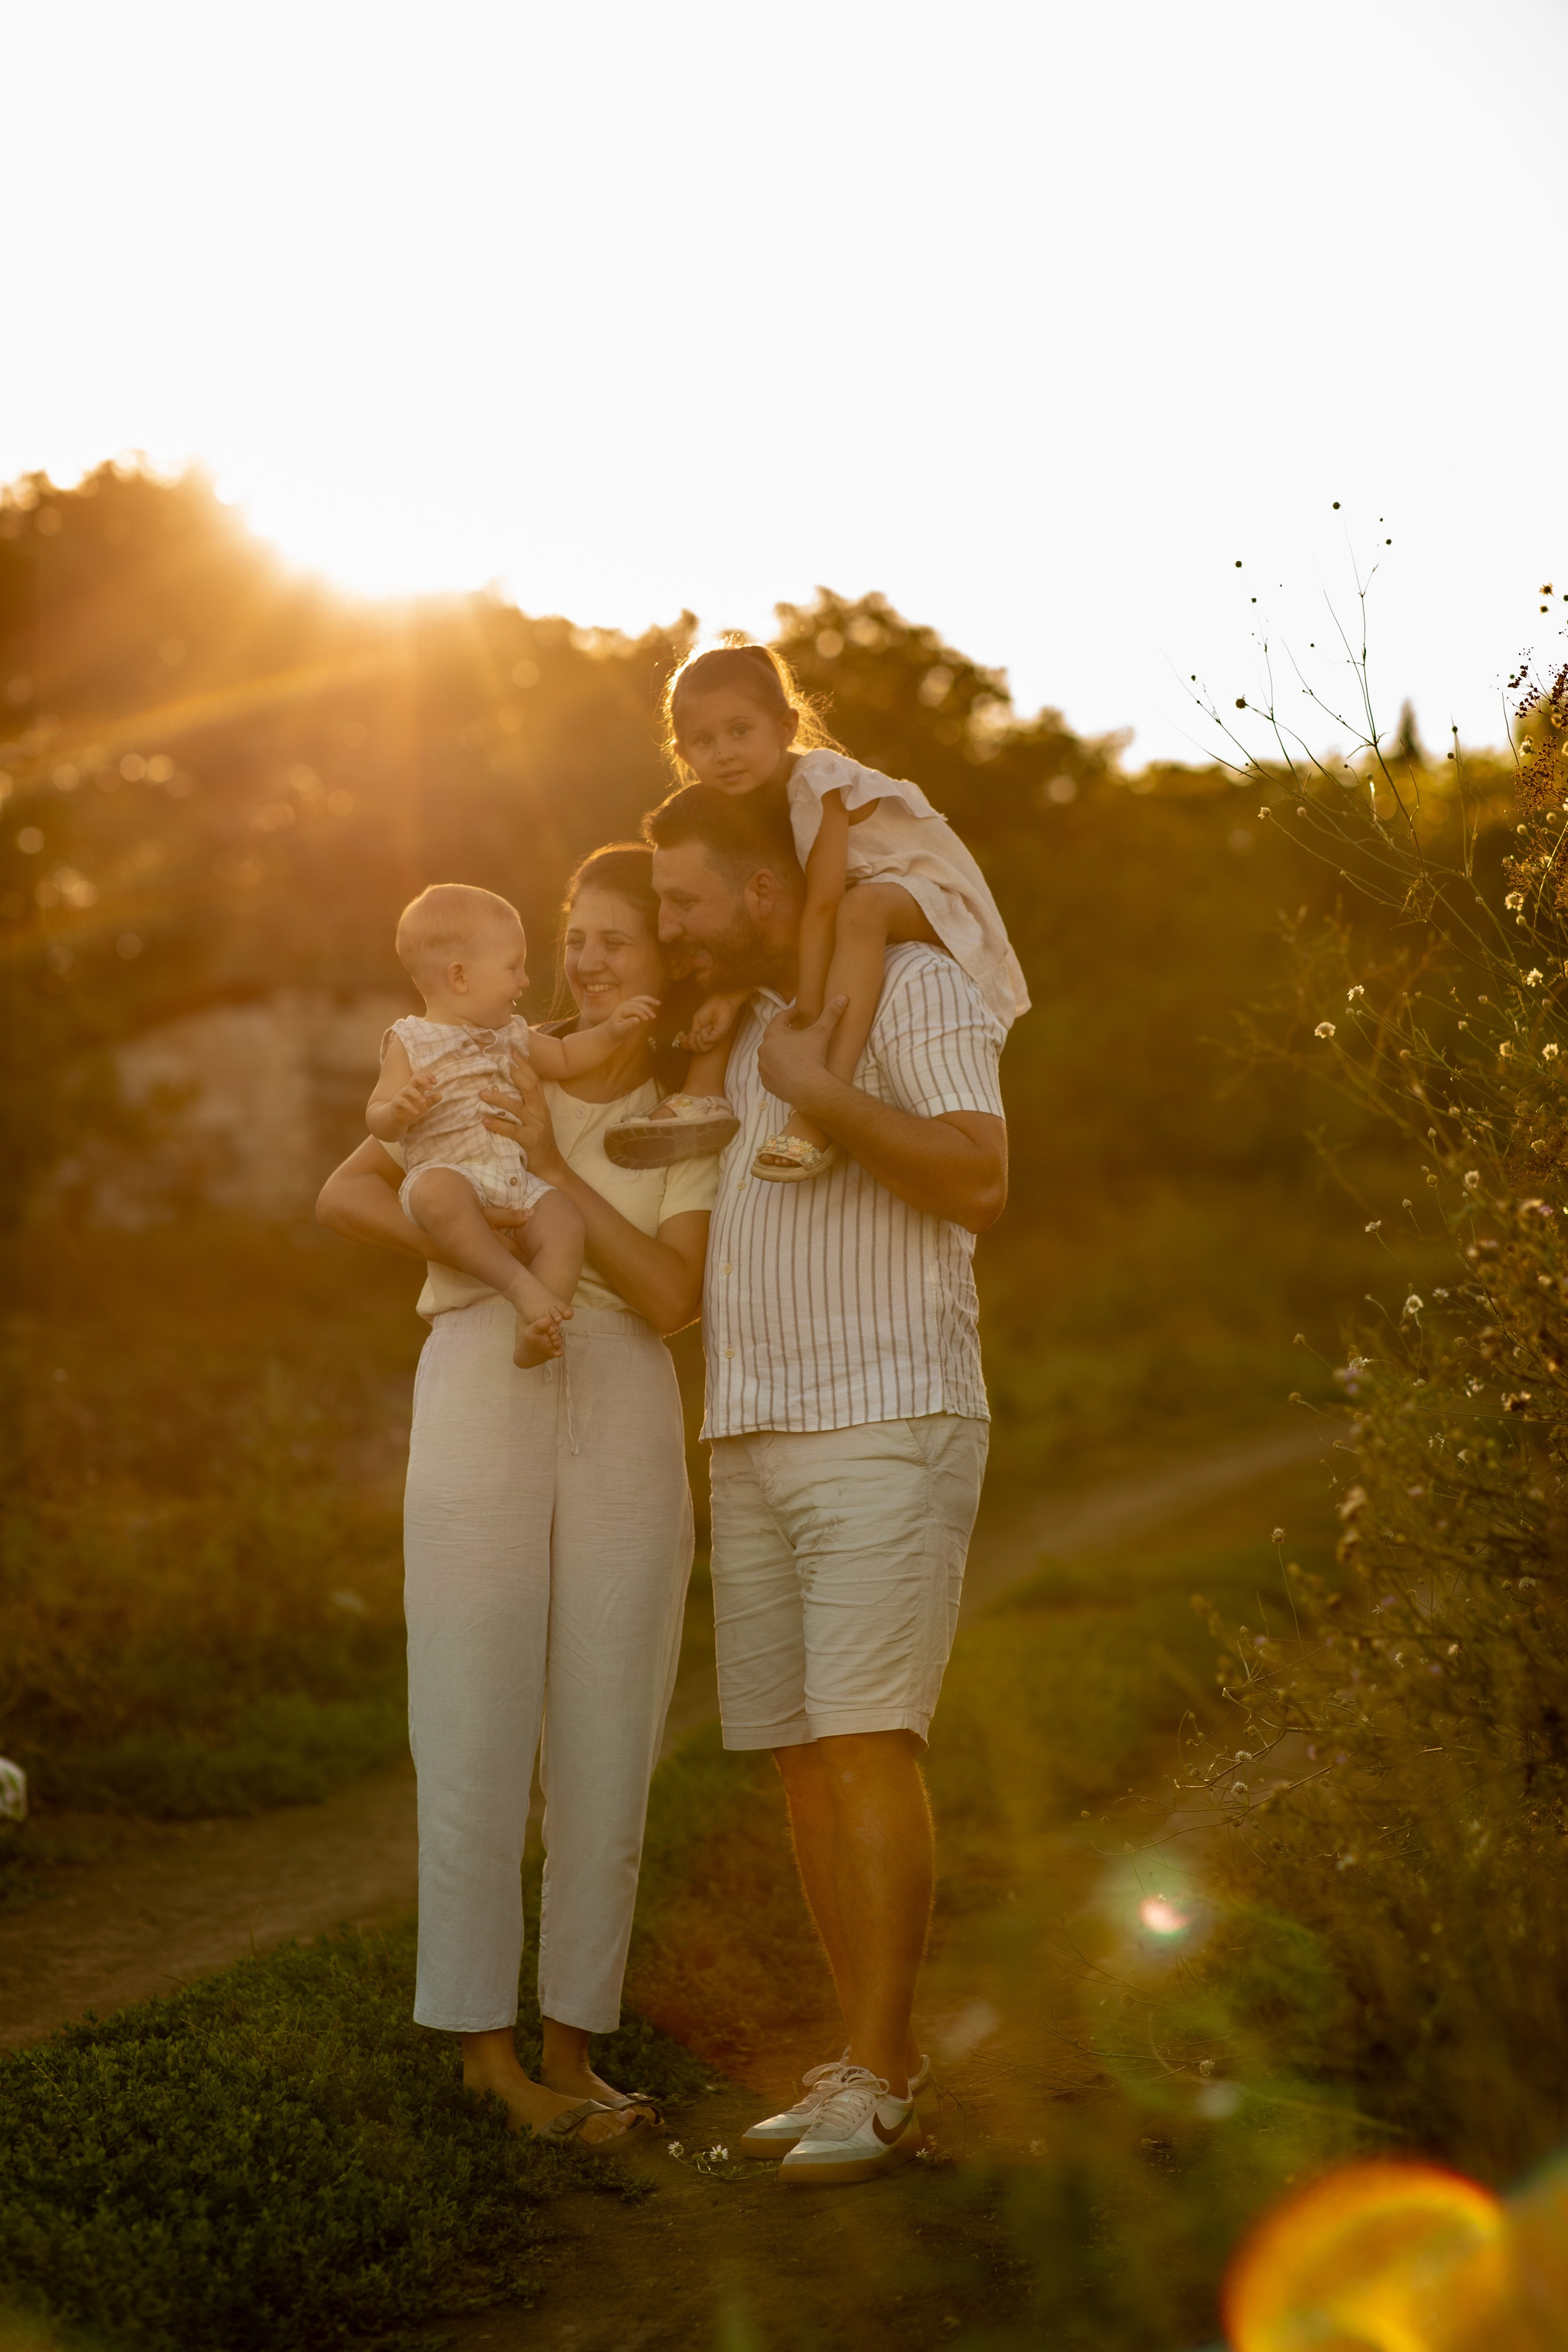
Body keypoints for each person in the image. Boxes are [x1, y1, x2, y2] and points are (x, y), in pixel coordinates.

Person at [316, 845, 715, 2152]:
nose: (590, 962)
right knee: (471, 1702)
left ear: (668, 963)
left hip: (621, 1389)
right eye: (578, 938)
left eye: (619, 942)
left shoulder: (688, 1100)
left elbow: (669, 1297)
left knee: (611, 1716)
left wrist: (558, 1168)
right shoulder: (479, 1052)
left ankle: (573, 2049)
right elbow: (346, 1190)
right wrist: (481, 1258)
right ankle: (483, 2057)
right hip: (485, 1360)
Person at [643, 782, 1011, 2185]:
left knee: (868, 1742)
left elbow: (978, 1181)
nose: (668, 922)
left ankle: (882, 2069)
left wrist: (822, 1096)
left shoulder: (913, 985)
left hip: (887, 1411)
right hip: (749, 1429)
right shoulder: (728, 1033)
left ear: (754, 890)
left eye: (682, 898)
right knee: (801, 1758)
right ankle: (866, 2062)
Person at [630, 640, 1027, 1182]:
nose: (723, 752)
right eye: (704, 741)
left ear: (786, 728)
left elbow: (820, 907)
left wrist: (807, 1015)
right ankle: (702, 1095)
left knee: (861, 912)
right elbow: (773, 915)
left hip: (935, 893)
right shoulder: (743, 799)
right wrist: (730, 994)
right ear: (682, 753)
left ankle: (820, 1105)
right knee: (753, 941)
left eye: (740, 731)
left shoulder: (819, 783)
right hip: (869, 897)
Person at [368, 881, 658, 1366]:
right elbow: (378, 1115)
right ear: (460, 977)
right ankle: (523, 1290)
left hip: (512, 1180)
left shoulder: (512, 1035)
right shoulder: (410, 1040)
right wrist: (399, 1110)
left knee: (565, 1221)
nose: (524, 982)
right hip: (449, 1175)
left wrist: (612, 1030)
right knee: (438, 1195)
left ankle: (535, 1331)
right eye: (512, 968)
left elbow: (566, 1056)